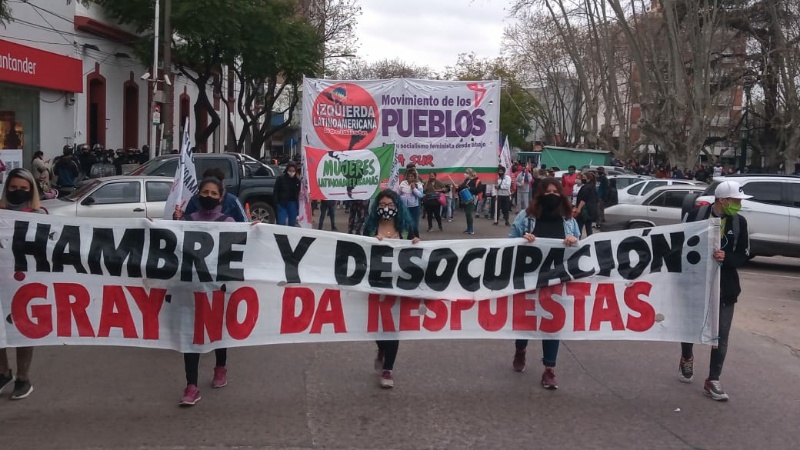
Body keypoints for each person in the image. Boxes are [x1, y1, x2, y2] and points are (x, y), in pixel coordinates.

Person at [679, 181, 751, 401]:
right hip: (696, 282)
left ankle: (713, 379)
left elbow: (744, 254)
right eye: (736, 201)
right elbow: (679, 244)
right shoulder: (696, 215)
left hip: (726, 287)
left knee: (722, 334)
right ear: (722, 200)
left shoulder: (740, 223)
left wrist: (727, 258)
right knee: (692, 325)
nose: (739, 205)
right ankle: (686, 356)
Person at [509, 178, 580, 389]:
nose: (552, 195)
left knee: (552, 324)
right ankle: (520, 349)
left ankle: (550, 369)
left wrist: (573, 242)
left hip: (556, 279)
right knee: (526, 321)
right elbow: (508, 243)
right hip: (529, 278)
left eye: (556, 192)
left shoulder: (568, 220)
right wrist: (522, 239)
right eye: (547, 191)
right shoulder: (526, 217)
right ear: (539, 194)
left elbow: (578, 247)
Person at [172, 177, 234, 406]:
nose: (208, 196)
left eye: (213, 193)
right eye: (204, 192)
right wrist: (169, 226)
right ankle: (191, 385)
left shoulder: (228, 221)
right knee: (191, 334)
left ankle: (220, 367)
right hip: (191, 289)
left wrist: (253, 231)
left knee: (217, 330)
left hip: (217, 288)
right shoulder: (186, 220)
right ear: (198, 194)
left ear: (221, 197)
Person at [362, 189, 420, 388]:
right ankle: (381, 348)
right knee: (376, 327)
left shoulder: (406, 228)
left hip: (398, 286)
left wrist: (416, 243)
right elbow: (358, 250)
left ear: (397, 207)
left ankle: (388, 369)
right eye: (382, 205)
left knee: (392, 327)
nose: (386, 209)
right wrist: (370, 242)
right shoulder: (369, 228)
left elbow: (417, 247)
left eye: (390, 206)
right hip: (376, 284)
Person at [0, 168, 45, 400]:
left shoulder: (39, 215)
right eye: (13, 188)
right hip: (1, 280)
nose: (18, 192)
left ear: (31, 191)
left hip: (26, 283)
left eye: (23, 189)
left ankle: (23, 378)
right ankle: (3, 372)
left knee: (23, 329)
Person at [397, 169, 422, 238]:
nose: (410, 178)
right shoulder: (402, 183)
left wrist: (414, 188)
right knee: (405, 224)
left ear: (414, 177)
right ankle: (407, 238)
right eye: (409, 176)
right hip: (404, 207)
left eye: (412, 176)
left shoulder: (418, 184)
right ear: (406, 177)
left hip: (414, 207)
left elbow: (420, 195)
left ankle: (416, 238)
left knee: (414, 225)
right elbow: (398, 194)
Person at [274, 162, 301, 227]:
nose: (291, 172)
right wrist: (276, 203)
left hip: (293, 203)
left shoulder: (297, 181)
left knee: (292, 222)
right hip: (282, 203)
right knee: (281, 222)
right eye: (290, 171)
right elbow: (275, 191)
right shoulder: (280, 179)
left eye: (293, 171)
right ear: (287, 170)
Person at [457, 169, 481, 235]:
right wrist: (458, 187)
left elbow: (478, 190)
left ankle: (471, 229)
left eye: (466, 173)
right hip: (465, 198)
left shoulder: (476, 180)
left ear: (470, 173)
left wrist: (470, 188)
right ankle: (468, 228)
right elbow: (462, 187)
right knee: (467, 214)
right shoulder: (466, 180)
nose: (465, 174)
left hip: (472, 198)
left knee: (469, 213)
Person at [574, 172, 598, 236]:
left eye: (584, 178)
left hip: (584, 210)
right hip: (590, 210)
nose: (582, 179)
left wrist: (578, 209)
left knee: (579, 226)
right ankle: (590, 240)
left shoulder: (586, 187)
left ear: (589, 179)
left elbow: (583, 200)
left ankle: (578, 240)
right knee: (588, 227)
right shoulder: (593, 186)